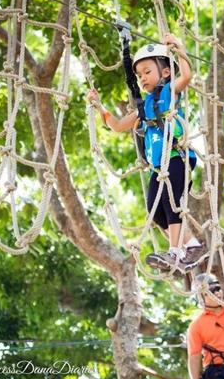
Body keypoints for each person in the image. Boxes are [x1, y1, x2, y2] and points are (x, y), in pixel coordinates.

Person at [87, 32, 206, 274]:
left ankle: (175, 252)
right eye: (139, 75)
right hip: (158, 167)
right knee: (155, 209)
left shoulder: (168, 93)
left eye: (147, 72)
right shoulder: (145, 107)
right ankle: (192, 246)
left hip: (175, 159)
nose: (142, 78)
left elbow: (187, 76)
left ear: (164, 73)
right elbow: (119, 126)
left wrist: (179, 49)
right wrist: (100, 108)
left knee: (171, 203)